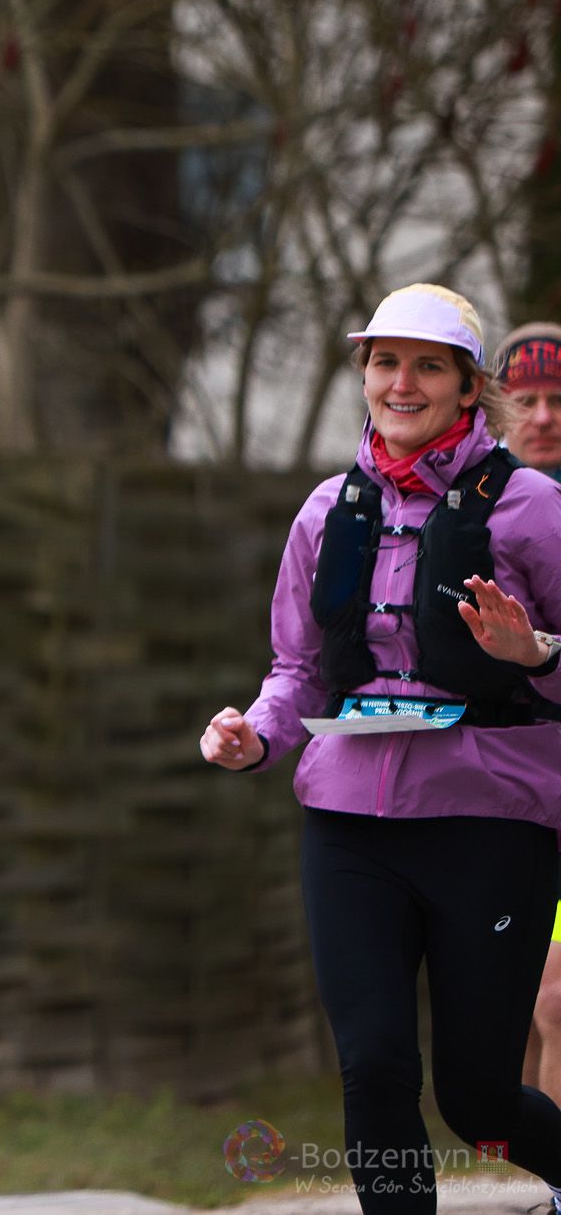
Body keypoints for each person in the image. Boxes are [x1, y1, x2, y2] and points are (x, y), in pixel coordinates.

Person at [201, 284, 561, 1214]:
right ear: (364, 375)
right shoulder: (328, 510)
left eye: (429, 366)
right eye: (385, 362)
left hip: (490, 827)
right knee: (373, 1067)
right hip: (348, 826)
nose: (403, 383)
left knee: (478, 1100)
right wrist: (254, 736)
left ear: (468, 387)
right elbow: (296, 669)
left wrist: (535, 655)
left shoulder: (535, 509)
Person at [501, 324, 561, 1144]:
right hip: (510, 794)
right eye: (526, 400)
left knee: (554, 998)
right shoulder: (463, 511)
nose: (543, 416)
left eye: (558, 400)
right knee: (531, 1002)